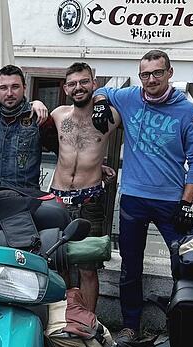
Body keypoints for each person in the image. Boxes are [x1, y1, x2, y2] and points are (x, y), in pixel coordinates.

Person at [91, 49, 193, 344]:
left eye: (157, 73)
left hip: (171, 201)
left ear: (170, 73)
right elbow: (102, 90)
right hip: (133, 198)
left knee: (185, 263)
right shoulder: (129, 96)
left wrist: (187, 202)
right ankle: (130, 326)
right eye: (145, 74)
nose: (151, 79)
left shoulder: (186, 110)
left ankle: (180, 325)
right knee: (130, 267)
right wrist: (101, 104)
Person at [43, 61, 121, 312]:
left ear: (94, 84)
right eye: (73, 84)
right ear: (66, 88)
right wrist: (35, 103)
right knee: (59, 263)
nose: (79, 87)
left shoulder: (110, 117)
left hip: (89, 200)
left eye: (84, 82)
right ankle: (63, 319)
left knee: (88, 267)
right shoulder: (58, 115)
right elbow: (34, 119)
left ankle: (87, 322)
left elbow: (141, 108)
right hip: (57, 200)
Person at [0, 65, 51, 190]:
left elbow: (64, 153)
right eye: (3, 88)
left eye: (15, 87)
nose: (9, 93)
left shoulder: (39, 117)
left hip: (25, 196)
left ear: (24, 88)